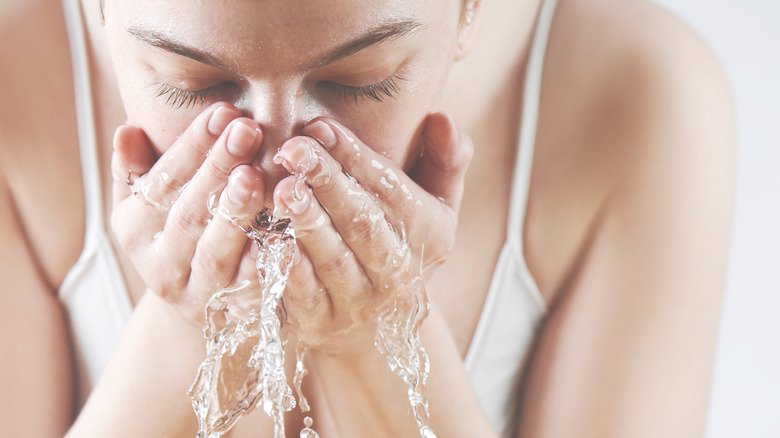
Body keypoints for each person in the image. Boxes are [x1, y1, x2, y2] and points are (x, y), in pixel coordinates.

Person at [0, 0, 736, 436]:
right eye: (194, 83)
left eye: (361, 80)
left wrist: (374, 342)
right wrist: (184, 330)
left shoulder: (640, 95)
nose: (279, 155)